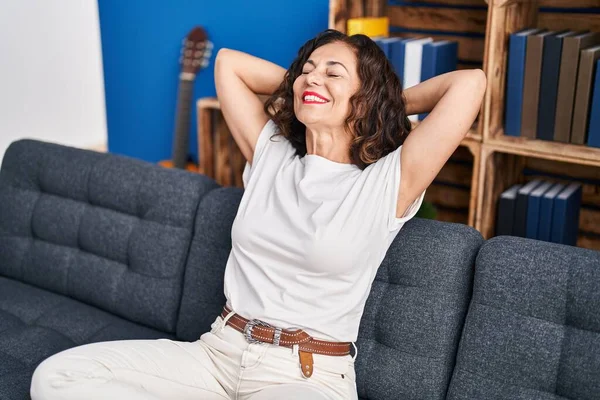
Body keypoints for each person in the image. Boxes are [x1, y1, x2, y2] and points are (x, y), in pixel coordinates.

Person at [30, 29, 486, 400]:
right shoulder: (270, 155)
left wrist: (385, 100)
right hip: (217, 353)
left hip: (305, 377)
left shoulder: (388, 182)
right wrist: (317, 86)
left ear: (364, 98)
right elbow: (228, 62)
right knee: (57, 377)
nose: (312, 80)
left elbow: (470, 84)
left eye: (333, 73)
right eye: (306, 71)